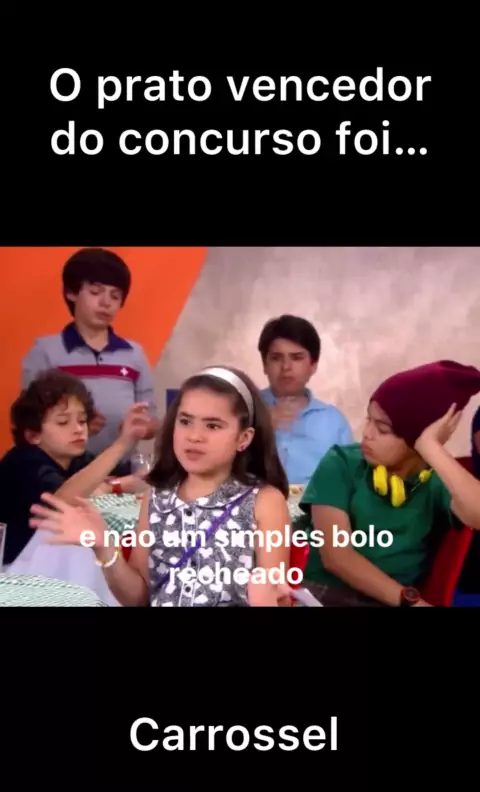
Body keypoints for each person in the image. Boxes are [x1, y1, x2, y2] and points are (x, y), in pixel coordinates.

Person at [29, 366, 293, 607]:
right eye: (185, 421)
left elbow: (276, 596)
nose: (194, 436)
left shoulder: (264, 502)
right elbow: (138, 599)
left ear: (244, 438)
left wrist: (266, 599)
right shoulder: (156, 496)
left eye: (213, 425)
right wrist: (105, 547)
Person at [296, 360, 480, 607]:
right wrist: (412, 603)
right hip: (319, 591)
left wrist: (431, 447)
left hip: (385, 602)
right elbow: (337, 557)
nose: (367, 433)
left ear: (414, 439)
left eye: (383, 429)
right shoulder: (341, 462)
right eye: (368, 420)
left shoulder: (436, 482)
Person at [0, 369, 150, 566]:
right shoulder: (23, 462)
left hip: (53, 561)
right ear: (33, 436)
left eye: (82, 420)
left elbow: (126, 473)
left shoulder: (76, 458)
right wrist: (122, 444)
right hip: (13, 568)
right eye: (63, 422)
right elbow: (60, 502)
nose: (78, 429)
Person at [21, 247, 159, 460]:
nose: (106, 303)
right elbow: (28, 421)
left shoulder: (134, 354)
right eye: (95, 292)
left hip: (120, 469)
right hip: (62, 471)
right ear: (71, 293)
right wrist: (77, 426)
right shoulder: (45, 351)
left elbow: (152, 421)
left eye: (115, 296)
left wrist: (142, 428)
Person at [258, 314, 353, 485]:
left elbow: (349, 480)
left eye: (297, 358)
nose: (286, 367)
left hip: (317, 501)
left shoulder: (333, 420)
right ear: (265, 364)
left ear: (313, 366)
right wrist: (262, 427)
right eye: (276, 358)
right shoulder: (244, 409)